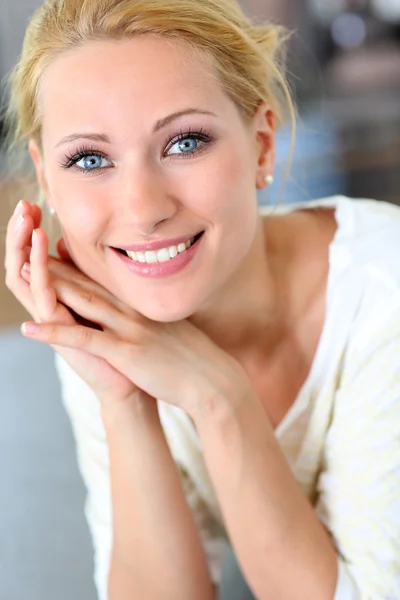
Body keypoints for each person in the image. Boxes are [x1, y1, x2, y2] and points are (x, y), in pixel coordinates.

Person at [4, 1, 400, 599]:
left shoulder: (385, 297)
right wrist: (123, 399)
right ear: (46, 177)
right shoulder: (101, 321)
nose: (143, 209)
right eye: (90, 159)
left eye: (186, 142)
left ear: (262, 145)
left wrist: (219, 397)